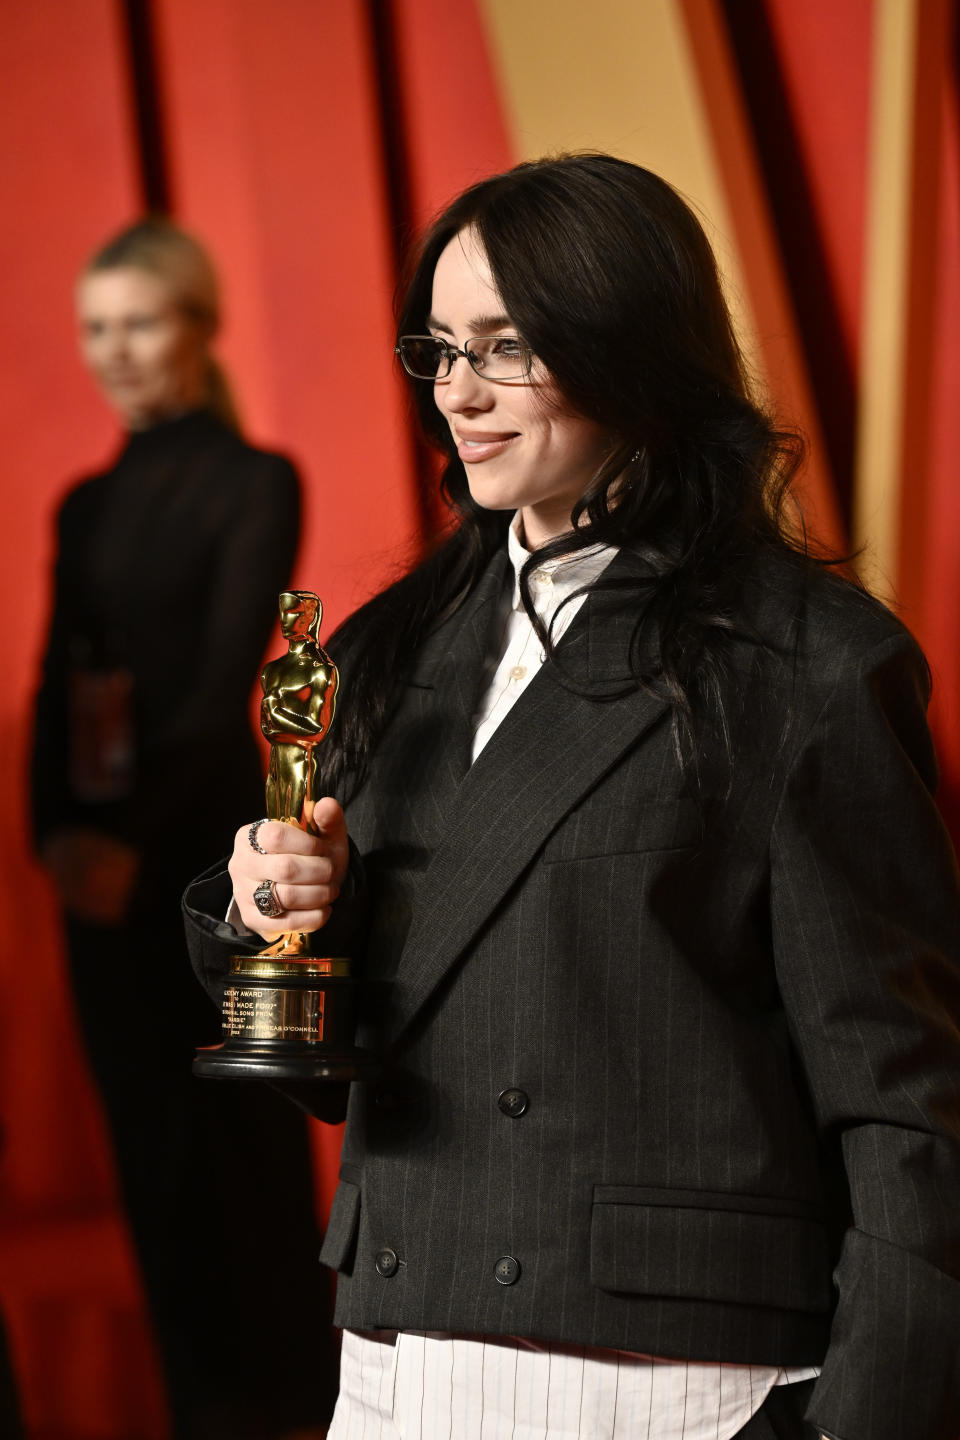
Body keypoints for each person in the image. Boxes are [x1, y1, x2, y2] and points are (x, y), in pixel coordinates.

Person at [184, 155, 960, 1440]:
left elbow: (911, 1111)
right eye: (438, 348)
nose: (460, 395)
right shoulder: (391, 647)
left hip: (667, 1379)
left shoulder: (811, 664)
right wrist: (276, 919)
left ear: (633, 349)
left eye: (508, 348)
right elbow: (357, 1057)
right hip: (388, 1352)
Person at [31, 219, 336, 1439]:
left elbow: (221, 696)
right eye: (95, 329)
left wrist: (126, 846)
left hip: (212, 874)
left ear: (200, 327)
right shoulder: (83, 504)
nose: (114, 352)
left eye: (139, 323)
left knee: (244, 1154)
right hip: (95, 880)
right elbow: (53, 687)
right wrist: (54, 839)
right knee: (149, 1160)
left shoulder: (257, 480)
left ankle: (298, 1407)